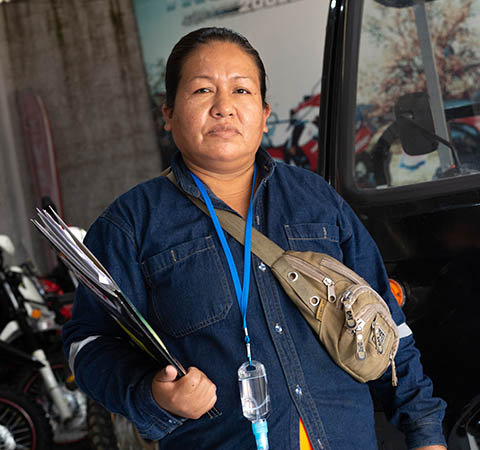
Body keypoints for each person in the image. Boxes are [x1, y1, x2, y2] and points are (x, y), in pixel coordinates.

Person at [62, 27, 447, 450]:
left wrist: (425, 433)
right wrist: (154, 393)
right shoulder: (131, 225)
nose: (224, 107)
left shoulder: (318, 202)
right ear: (168, 113)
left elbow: (388, 325)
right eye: (203, 90)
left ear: (264, 115)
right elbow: (88, 344)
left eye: (242, 90)